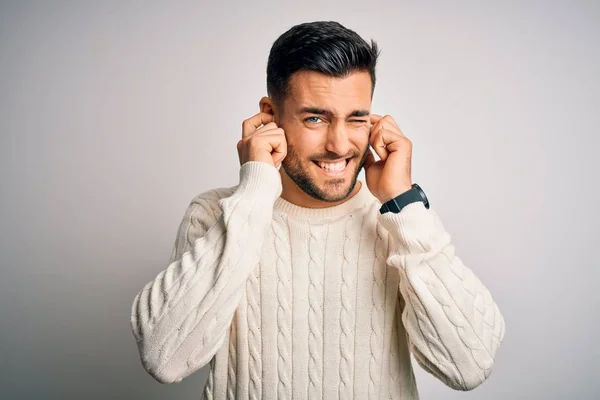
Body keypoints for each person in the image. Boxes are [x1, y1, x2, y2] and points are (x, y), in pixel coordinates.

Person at [130, 20, 505, 400]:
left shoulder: (399, 222)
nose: (339, 144)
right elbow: (167, 360)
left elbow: (468, 366)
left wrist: (403, 203)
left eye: (356, 118)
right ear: (270, 115)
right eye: (315, 118)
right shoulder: (215, 214)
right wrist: (255, 190)